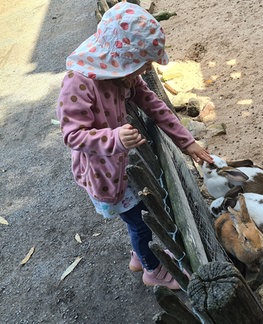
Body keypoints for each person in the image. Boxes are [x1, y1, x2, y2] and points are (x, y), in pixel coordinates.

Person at [56, 2, 213, 290]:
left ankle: (138, 255)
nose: (147, 70)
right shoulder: (78, 84)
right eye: (143, 64)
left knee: (136, 219)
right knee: (140, 222)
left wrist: (186, 141)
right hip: (104, 174)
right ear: (121, 60)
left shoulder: (123, 76)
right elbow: (72, 136)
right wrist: (114, 138)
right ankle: (152, 270)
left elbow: (155, 104)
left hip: (123, 167)